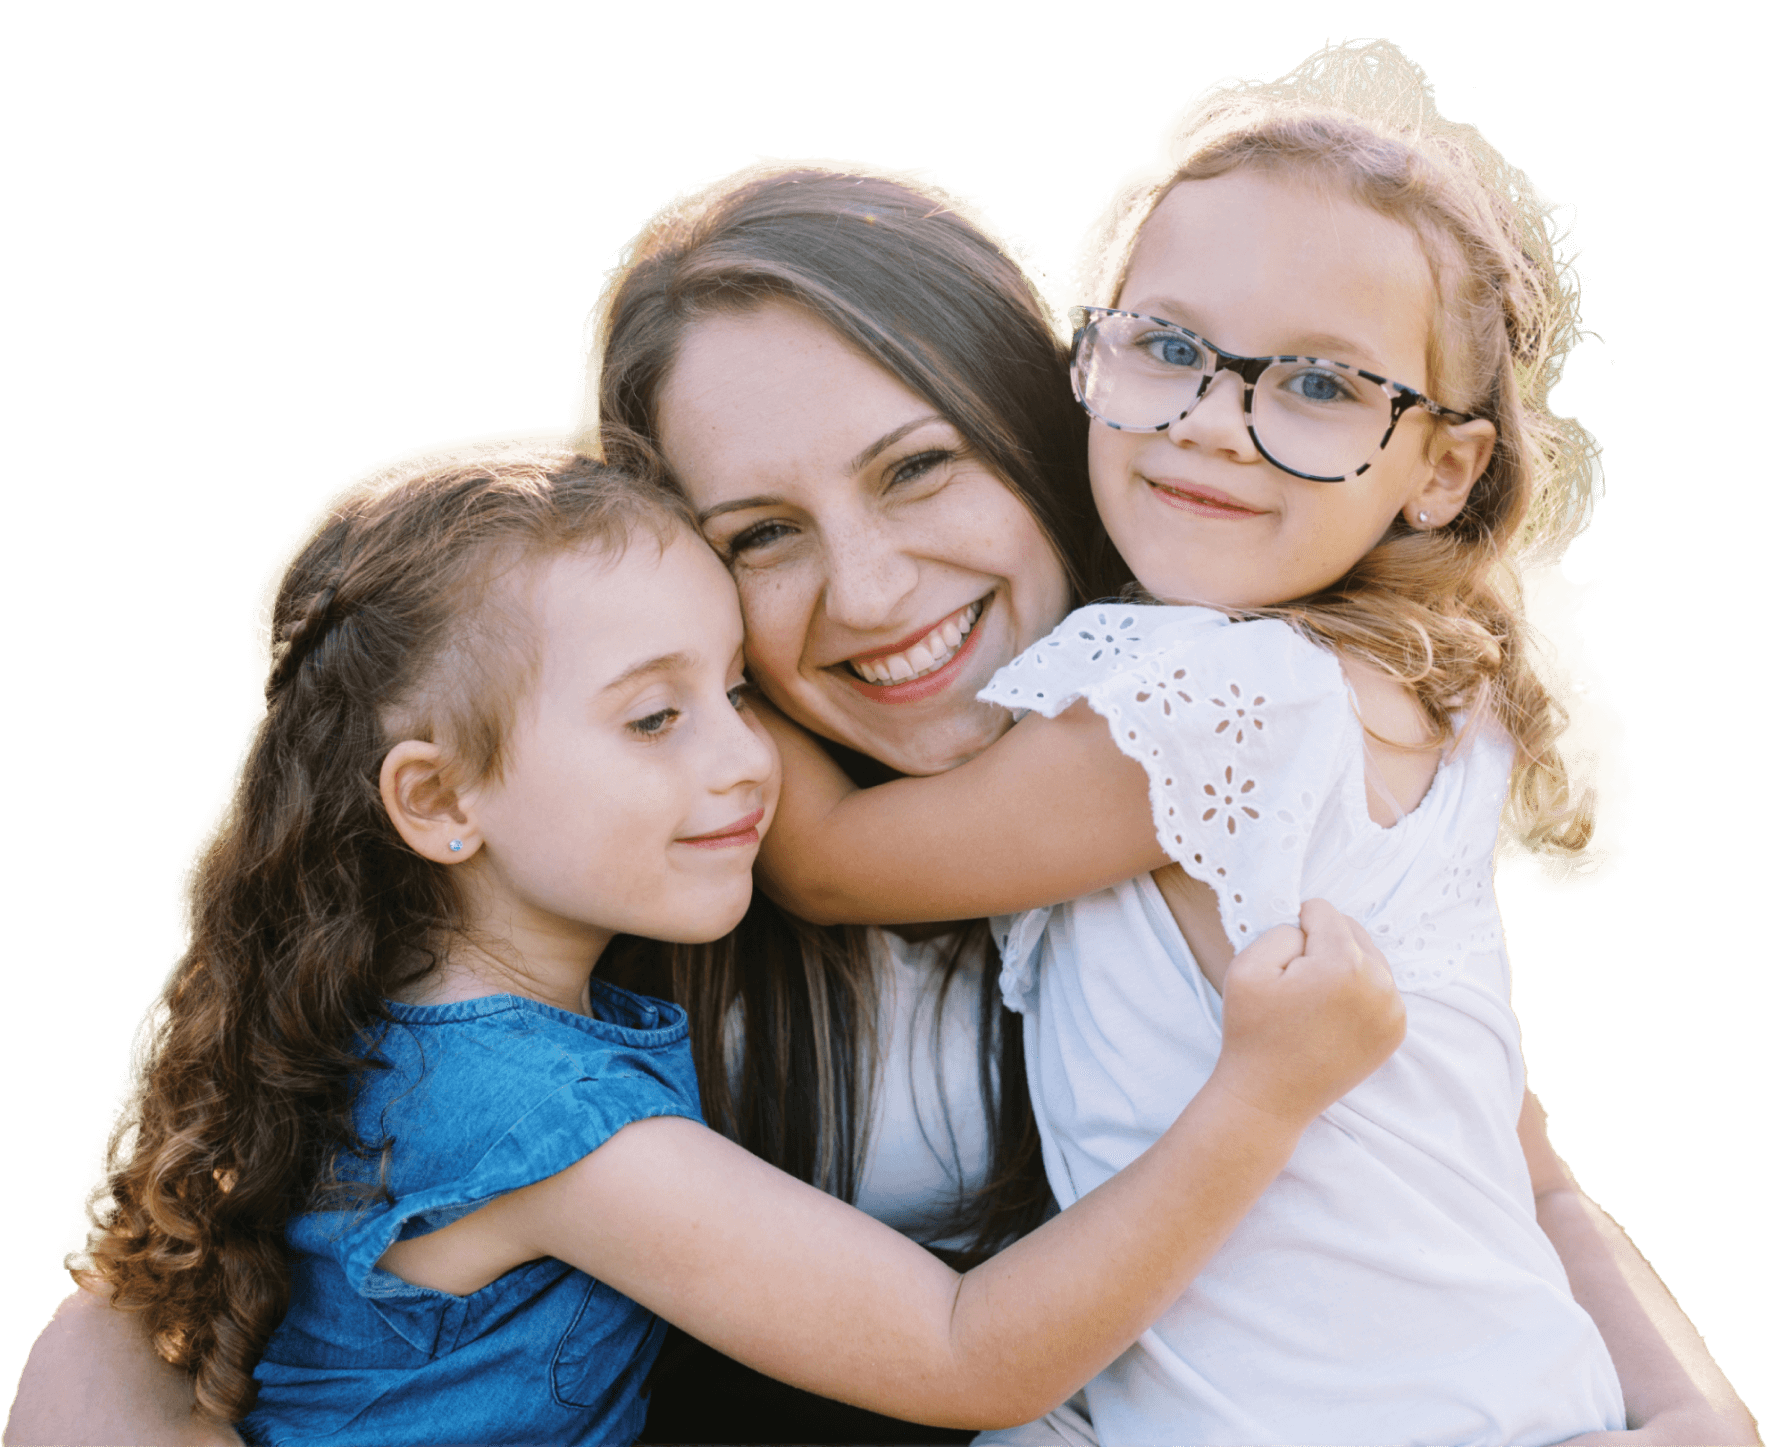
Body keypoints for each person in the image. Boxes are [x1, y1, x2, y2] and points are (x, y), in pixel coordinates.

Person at [14, 136, 1755, 1443]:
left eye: (920, 466)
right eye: (759, 535)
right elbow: (162, 1294)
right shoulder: (620, 864)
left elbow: (1500, 1155)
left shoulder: (1222, 764)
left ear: (1049, 415)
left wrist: (1685, 1418)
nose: (867, 593)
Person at [745, 45, 1757, 1446]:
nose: (1216, 425)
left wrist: (676, 604)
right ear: (1088, 355)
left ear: (1442, 469)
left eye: (1322, 387)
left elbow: (833, 863)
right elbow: (1527, 1171)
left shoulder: (1220, 701)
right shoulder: (1421, 703)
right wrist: (1688, 1407)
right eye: (1167, 347)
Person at [8, 433, 1406, 1444]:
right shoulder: (540, 1121)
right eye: (655, 717)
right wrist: (1263, 1093)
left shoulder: (403, 1038)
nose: (749, 762)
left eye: (738, 690)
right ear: (438, 800)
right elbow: (965, 1354)